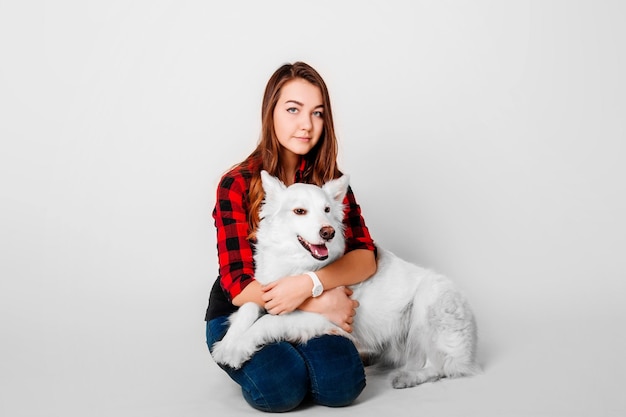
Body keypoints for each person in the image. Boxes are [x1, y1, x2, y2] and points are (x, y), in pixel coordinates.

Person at [205, 61, 377, 412]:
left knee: (342, 384)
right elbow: (237, 283)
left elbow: (365, 257)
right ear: (271, 113)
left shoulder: (329, 182)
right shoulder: (236, 183)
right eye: (293, 109)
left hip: (310, 308)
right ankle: (253, 358)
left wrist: (311, 284)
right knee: (280, 388)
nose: (306, 124)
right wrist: (318, 300)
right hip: (246, 307)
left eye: (317, 113)